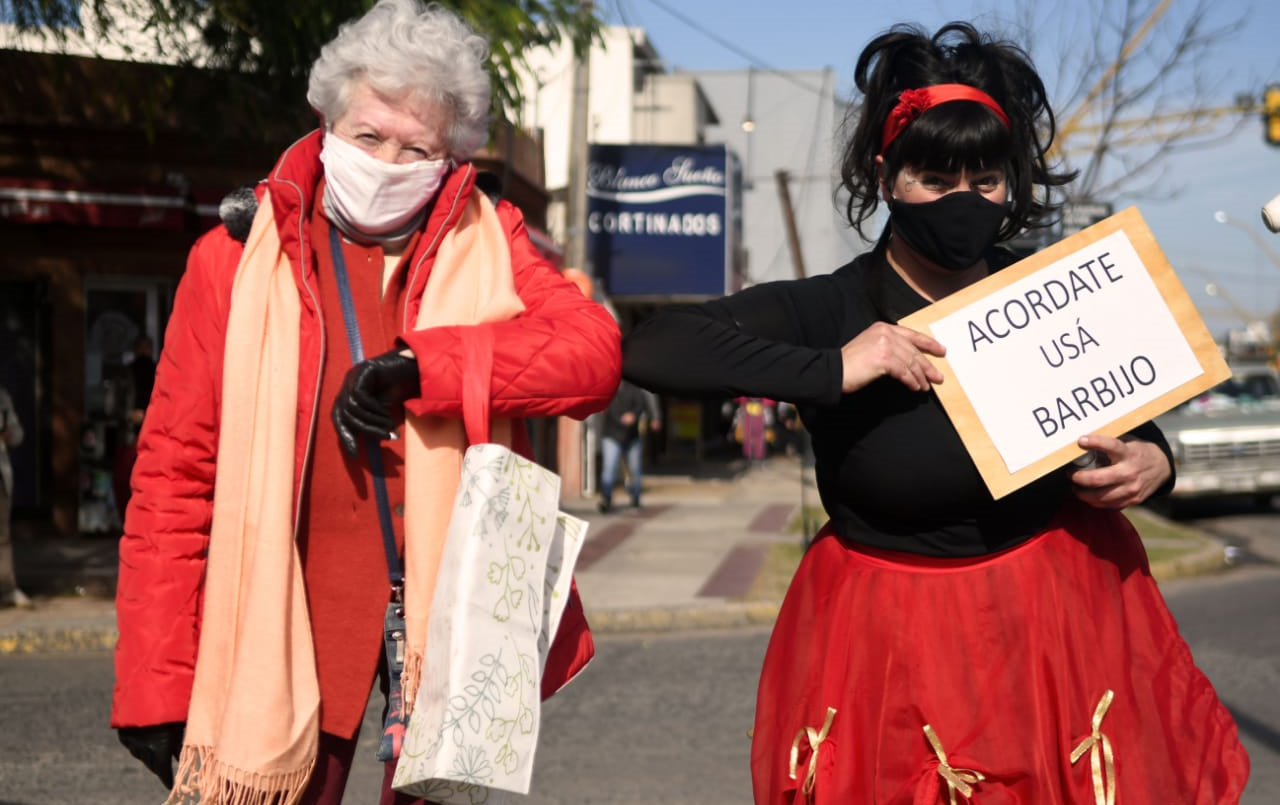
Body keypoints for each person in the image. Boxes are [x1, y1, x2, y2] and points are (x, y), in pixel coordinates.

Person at [622, 22, 1248, 804]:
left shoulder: (1050, 291)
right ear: (887, 177)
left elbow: (1130, 421)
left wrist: (1156, 462)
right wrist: (836, 367)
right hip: (889, 640)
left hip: (1056, 629)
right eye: (933, 178)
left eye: (985, 180)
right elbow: (656, 349)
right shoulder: (838, 304)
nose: (963, 201)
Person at [109, 2, 621, 803]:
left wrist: (426, 368)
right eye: (369, 136)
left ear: (450, 155)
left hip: (450, 628)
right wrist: (154, 680)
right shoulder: (233, 260)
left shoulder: (493, 240)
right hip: (286, 628)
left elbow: (593, 355)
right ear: (326, 120)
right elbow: (174, 477)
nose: (388, 161)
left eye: (416, 147)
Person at [597, 378, 661, 512]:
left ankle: (636, 498)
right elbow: (607, 407)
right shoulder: (609, 386)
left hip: (631, 436)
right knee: (609, 469)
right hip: (612, 434)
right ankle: (606, 498)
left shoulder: (634, 386)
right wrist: (622, 419)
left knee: (635, 469)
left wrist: (637, 416)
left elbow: (642, 402)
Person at [0, 384, 29, 609]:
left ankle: (7, 588)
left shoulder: (2, 397)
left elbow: (17, 433)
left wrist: (9, 434)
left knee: (3, 536)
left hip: (1, 474)